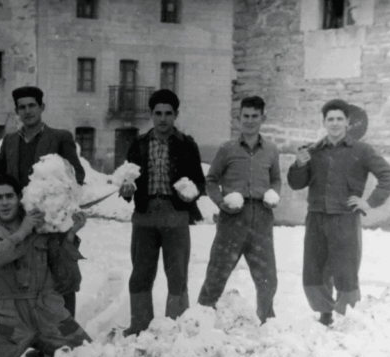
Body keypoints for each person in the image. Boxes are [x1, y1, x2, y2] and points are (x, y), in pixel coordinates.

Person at [0, 174, 91, 357]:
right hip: (9, 318)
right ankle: (14, 346)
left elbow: (63, 275)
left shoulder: (41, 229)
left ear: (19, 198)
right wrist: (23, 232)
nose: (5, 203)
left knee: (88, 352)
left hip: (50, 312)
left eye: (10, 196)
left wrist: (70, 234)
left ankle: (44, 346)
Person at [288, 98, 390, 326]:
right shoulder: (312, 151)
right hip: (317, 217)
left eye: (340, 119)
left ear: (348, 122)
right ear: (324, 122)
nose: (335, 123)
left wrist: (369, 202)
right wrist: (298, 165)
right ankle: (325, 313)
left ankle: (346, 317)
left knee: (346, 269)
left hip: (345, 219)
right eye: (330, 119)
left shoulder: (362, 150)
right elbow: (296, 183)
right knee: (315, 268)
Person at [0, 86, 86, 317]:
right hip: (22, 222)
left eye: (32, 106)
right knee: (30, 277)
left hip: (52, 222)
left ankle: (66, 329)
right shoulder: (10, 140)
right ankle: (35, 327)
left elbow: (77, 175)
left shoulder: (60, 137)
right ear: (17, 111)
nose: (27, 111)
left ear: (41, 107)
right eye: (22, 107)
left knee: (61, 274)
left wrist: (52, 198)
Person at [120, 89, 205, 336]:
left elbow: (199, 182)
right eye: (158, 113)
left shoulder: (187, 144)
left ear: (176, 115)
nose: (163, 119)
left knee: (177, 273)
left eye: (168, 113)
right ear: (151, 114)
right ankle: (139, 325)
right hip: (145, 214)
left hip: (175, 214)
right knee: (141, 273)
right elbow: (127, 180)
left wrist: (191, 193)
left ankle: (176, 327)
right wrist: (126, 189)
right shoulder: (138, 144)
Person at [197, 96, 281, 324]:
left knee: (267, 277)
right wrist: (221, 202)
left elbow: (276, 180)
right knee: (217, 272)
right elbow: (211, 180)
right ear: (238, 118)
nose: (250, 121)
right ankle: (202, 318)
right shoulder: (227, 149)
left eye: (255, 116)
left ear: (263, 118)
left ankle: (266, 322)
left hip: (261, 217)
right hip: (232, 218)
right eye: (246, 116)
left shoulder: (271, 150)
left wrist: (274, 195)